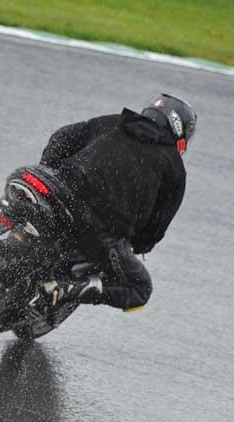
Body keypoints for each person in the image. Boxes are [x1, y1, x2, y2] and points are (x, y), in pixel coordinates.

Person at [33, 93, 197, 310]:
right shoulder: (174, 167)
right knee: (140, 289)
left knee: (26, 191)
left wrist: (49, 170)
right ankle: (63, 289)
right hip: (99, 231)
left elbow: (62, 138)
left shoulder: (113, 122)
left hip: (60, 194)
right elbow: (156, 226)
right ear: (180, 132)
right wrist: (137, 245)